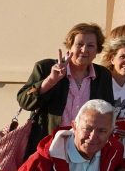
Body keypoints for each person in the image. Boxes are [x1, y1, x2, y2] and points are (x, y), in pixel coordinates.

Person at [18, 23, 114, 157]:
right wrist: (50, 81)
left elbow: (108, 110)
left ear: (97, 50)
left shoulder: (103, 75)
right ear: (70, 47)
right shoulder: (46, 67)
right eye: (79, 44)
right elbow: (24, 101)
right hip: (48, 146)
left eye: (91, 45)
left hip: (85, 147)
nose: (84, 49)